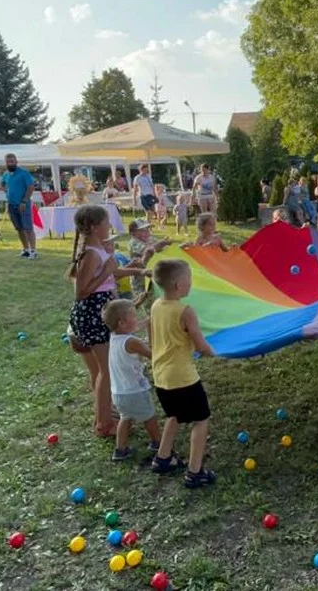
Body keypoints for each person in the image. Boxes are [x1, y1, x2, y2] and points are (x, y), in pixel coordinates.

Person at [66, 206, 145, 438]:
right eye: (106, 222)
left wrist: (137, 270)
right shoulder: (90, 253)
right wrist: (106, 272)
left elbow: (110, 274)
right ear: (93, 227)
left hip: (99, 310)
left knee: (102, 370)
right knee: (106, 371)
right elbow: (81, 291)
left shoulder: (97, 248)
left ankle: (104, 415)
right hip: (93, 313)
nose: (109, 226)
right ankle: (103, 424)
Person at [149, 259, 218, 488]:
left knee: (175, 415)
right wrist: (215, 352)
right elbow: (200, 345)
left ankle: (163, 458)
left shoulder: (156, 305)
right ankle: (194, 471)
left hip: (161, 377)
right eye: (189, 279)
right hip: (183, 377)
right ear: (179, 285)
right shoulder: (185, 311)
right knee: (201, 419)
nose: (191, 283)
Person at [102, 299, 163, 461]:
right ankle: (158, 442)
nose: (137, 319)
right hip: (136, 391)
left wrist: (145, 322)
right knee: (149, 416)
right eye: (133, 316)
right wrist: (151, 329)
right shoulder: (132, 342)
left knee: (125, 417)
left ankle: (120, 450)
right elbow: (152, 354)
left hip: (119, 392)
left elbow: (132, 331)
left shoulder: (114, 337)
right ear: (122, 323)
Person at [3, 154, 38, 259]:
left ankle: (33, 251)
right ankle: (26, 249)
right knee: (19, 228)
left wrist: (24, 201)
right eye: (8, 162)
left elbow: (31, 187)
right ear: (5, 163)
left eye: (12, 161)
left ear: (16, 162)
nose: (10, 163)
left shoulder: (24, 173)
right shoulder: (6, 174)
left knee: (28, 228)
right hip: (11, 204)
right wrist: (5, 189)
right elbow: (2, 184)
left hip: (23, 204)